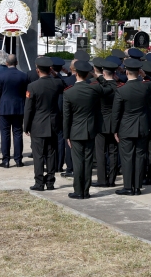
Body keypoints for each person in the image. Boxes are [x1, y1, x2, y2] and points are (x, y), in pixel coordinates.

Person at [112, 59, 151, 195]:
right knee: (140, 156)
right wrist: (146, 76)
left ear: (127, 72)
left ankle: (128, 187)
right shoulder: (145, 86)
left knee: (127, 157)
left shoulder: (121, 90)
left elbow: (116, 113)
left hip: (126, 127)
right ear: (138, 72)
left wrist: (115, 130)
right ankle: (137, 186)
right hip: (142, 126)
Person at [63, 61, 104, 199]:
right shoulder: (94, 90)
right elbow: (109, 86)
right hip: (91, 129)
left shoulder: (69, 93)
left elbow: (67, 117)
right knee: (88, 161)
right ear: (87, 74)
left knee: (78, 162)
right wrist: (97, 76)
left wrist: (66, 135)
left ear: (75, 73)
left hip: (75, 131)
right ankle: (86, 191)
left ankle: (78, 190)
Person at [23, 57, 64, 192]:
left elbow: (29, 109)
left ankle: (39, 182)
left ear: (37, 70)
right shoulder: (57, 83)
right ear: (50, 69)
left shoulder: (32, 86)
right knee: (51, 153)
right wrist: (54, 74)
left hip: (38, 124)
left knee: (39, 155)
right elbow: (65, 83)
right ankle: (50, 181)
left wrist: (26, 126)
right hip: (53, 123)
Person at [0, 54, 29, 168]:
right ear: (16, 63)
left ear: (6, 63)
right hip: (19, 108)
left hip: (4, 108)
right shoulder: (23, 76)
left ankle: (6, 160)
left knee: (5, 134)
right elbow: (26, 93)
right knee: (17, 134)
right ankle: (18, 160)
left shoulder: (1, 76)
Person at [94, 60, 120, 187]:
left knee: (100, 152)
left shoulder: (100, 87)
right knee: (113, 151)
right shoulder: (119, 86)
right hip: (115, 122)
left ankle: (102, 179)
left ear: (103, 73)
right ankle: (112, 179)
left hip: (102, 122)